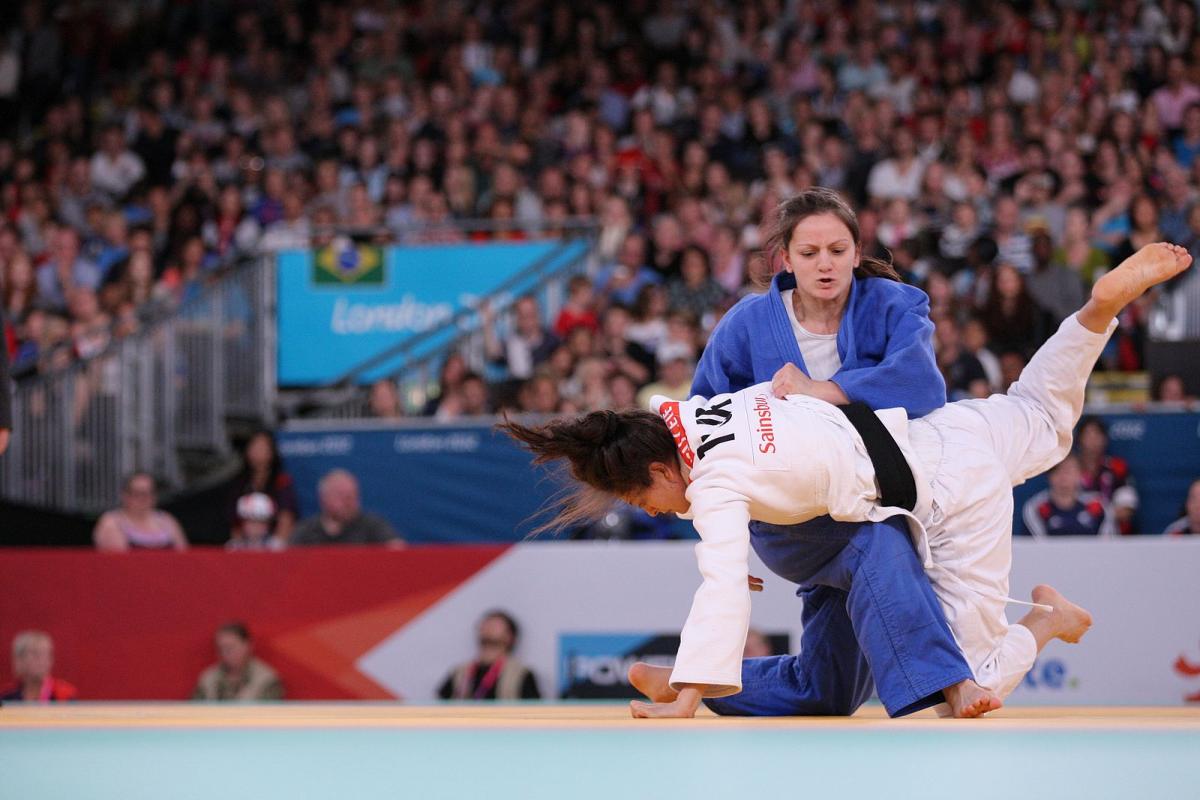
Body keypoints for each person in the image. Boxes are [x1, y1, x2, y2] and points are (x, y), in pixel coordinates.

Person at [501, 242, 1192, 719]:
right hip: (945, 428)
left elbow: (719, 590)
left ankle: (1042, 622)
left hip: (948, 495)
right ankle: (1096, 315)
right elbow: (653, 428)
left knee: (972, 683)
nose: (653, 510)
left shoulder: (711, 482)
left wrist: (689, 688)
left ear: (660, 467)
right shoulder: (700, 408)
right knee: (1042, 416)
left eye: (640, 497)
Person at [682, 187, 975, 719]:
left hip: (868, 488)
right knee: (875, 539)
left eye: (838, 251)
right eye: (810, 253)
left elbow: (922, 385)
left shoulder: (895, 305)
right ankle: (953, 687)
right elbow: (699, 429)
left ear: (858, 253)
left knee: (829, 689)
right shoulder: (747, 326)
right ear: (786, 260)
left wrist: (823, 388)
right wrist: (721, 533)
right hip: (792, 516)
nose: (825, 264)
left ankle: (705, 681)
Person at [437, 610, 541, 701]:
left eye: (495, 626)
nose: (488, 629)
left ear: (510, 637)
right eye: (485, 624)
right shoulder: (460, 672)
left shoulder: (521, 674)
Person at [290, 468, 404, 547]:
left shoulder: (372, 525)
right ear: (323, 498)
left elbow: (397, 550)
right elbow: (287, 560)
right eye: (342, 496)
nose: (349, 502)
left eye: (353, 496)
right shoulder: (306, 531)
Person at [226, 430, 299, 544]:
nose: (257, 451)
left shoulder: (281, 481)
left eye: (262, 447)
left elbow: (286, 517)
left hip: (272, 543)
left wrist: (277, 544)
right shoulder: (240, 483)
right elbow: (234, 521)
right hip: (245, 544)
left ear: (271, 451)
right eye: (254, 446)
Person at [1020, 454, 1115, 538]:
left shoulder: (1098, 505)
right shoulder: (1035, 507)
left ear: (1080, 474)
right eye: (1058, 470)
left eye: (1069, 471)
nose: (1063, 477)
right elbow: (1036, 548)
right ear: (1049, 475)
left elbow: (1107, 545)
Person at [92, 472, 189, 551]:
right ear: (125, 495)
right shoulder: (112, 521)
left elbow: (183, 555)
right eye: (137, 493)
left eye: (148, 493)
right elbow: (118, 561)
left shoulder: (167, 520)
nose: (143, 499)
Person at [192, 622, 284, 701]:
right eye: (221, 648)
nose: (225, 653)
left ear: (248, 646)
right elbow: (193, 712)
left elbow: (269, 716)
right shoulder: (208, 678)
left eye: (231, 647)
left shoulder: (266, 679)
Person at [0, 631, 77, 702]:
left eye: (47, 654)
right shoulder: (7, 697)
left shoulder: (64, 696)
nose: (43, 661)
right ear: (20, 659)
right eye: (36, 654)